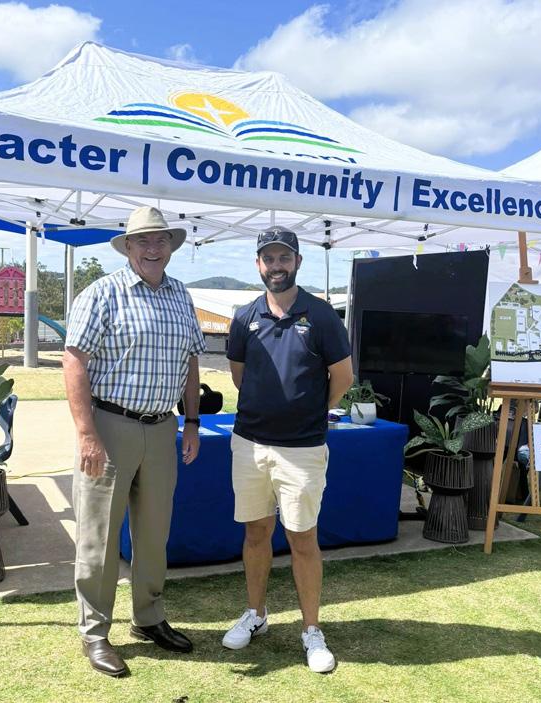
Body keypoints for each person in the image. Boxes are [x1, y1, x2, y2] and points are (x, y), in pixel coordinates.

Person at [63, 205, 206, 678]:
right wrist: (87, 433)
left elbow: (190, 362)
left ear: (171, 246)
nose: (152, 248)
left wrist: (191, 422)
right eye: (142, 240)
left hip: (162, 428)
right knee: (99, 537)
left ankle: (148, 617)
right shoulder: (101, 293)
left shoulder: (181, 295)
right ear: (127, 247)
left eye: (160, 239)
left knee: (154, 533)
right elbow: (74, 362)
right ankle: (95, 632)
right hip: (110, 426)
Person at [222, 226, 353, 673]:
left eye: (284, 258)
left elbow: (343, 377)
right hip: (250, 444)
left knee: (302, 538)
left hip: (302, 449)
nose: (276, 266)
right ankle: (256, 614)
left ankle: (311, 629)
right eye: (268, 258)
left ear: (297, 262)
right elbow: (239, 376)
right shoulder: (244, 316)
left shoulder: (322, 315)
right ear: (258, 264)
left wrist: (309, 411)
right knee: (256, 533)